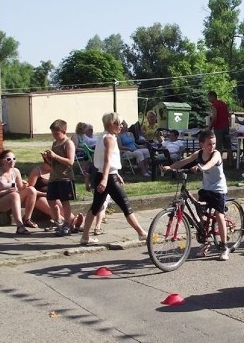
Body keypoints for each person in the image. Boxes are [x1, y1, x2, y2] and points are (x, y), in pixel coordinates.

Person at [79, 112, 148, 246]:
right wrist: (106, 179)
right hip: (108, 176)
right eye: (119, 123)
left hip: (104, 174)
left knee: (95, 207)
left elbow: (104, 160)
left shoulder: (102, 136)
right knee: (125, 204)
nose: (121, 126)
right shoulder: (110, 138)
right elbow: (107, 160)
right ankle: (141, 233)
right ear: (112, 124)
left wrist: (116, 174)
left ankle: (85, 236)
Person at [162, 129, 231, 260]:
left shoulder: (216, 154)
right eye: (209, 144)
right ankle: (206, 240)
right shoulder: (198, 154)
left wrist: (200, 168)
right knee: (199, 211)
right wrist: (170, 167)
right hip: (206, 189)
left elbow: (209, 164)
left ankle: (224, 246)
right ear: (201, 145)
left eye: (214, 144)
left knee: (219, 215)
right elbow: (185, 161)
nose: (212, 147)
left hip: (219, 190)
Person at [42, 119, 79, 236]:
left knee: (65, 202)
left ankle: (67, 224)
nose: (54, 136)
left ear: (64, 131)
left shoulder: (68, 143)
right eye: (53, 133)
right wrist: (48, 158)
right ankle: (58, 221)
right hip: (54, 177)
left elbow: (70, 161)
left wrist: (55, 156)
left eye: (57, 133)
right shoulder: (54, 144)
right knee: (51, 200)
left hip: (65, 178)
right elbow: (53, 162)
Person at [0, 149, 39, 234]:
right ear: (2, 161)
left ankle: (27, 219)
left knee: (32, 190)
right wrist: (6, 192)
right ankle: (20, 226)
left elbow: (21, 188)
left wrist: (25, 185)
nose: (12, 161)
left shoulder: (16, 171)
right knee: (14, 195)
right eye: (9, 159)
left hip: (12, 198)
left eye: (14, 159)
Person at [207, 91, 232, 161]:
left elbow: (214, 117)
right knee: (228, 145)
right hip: (226, 126)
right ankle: (231, 162)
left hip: (218, 127)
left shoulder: (214, 105)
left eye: (208, 97)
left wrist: (210, 127)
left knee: (218, 146)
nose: (208, 100)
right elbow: (228, 114)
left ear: (212, 97)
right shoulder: (223, 103)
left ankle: (218, 162)